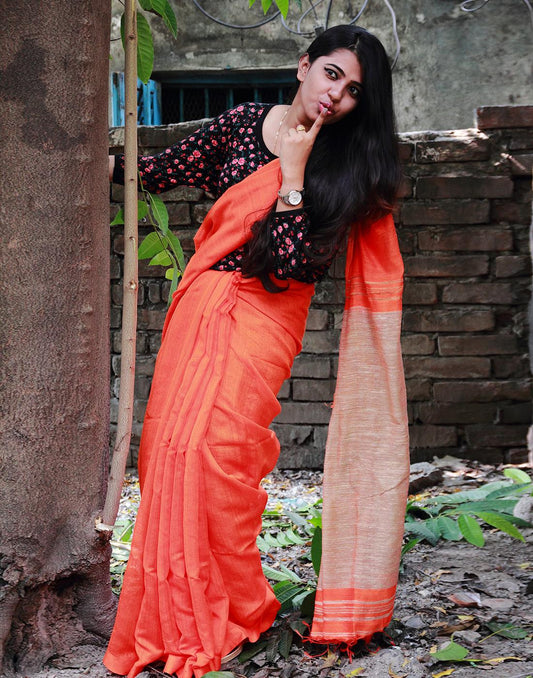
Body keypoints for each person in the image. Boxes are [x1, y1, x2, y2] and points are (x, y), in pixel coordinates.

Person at [104, 24, 410, 678]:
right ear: (303, 66)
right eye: (331, 74)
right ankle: (172, 614)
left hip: (264, 317)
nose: (337, 94)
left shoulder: (347, 167)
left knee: (223, 460)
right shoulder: (242, 126)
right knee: (169, 455)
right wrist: (96, 159)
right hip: (201, 308)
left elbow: (294, 269)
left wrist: (294, 175)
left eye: (354, 90)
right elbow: (157, 172)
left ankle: (237, 609)